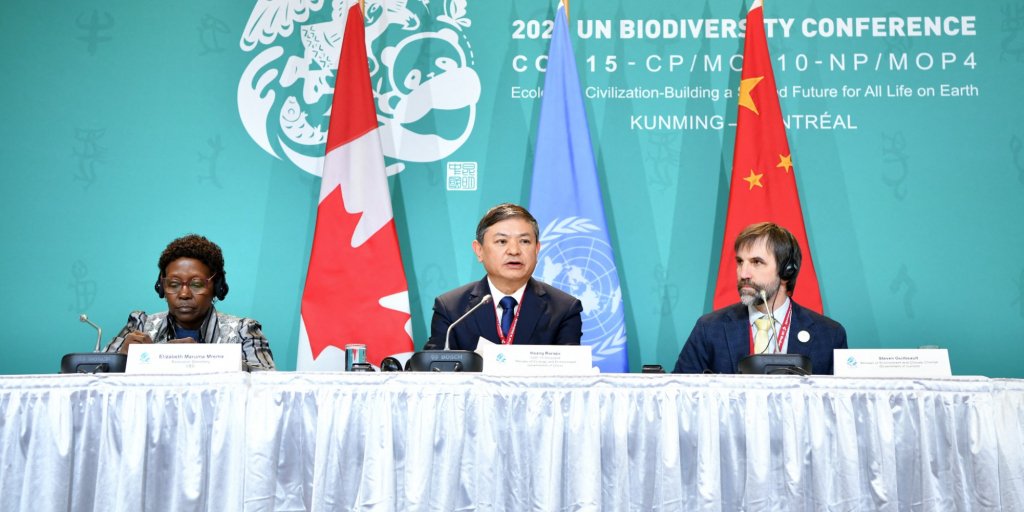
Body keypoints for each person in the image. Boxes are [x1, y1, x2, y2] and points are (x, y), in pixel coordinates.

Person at [674, 222, 846, 374]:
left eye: (756, 262)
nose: (743, 274)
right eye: (740, 262)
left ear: (786, 271)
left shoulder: (830, 334)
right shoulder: (709, 328)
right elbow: (680, 393)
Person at [104, 234, 276, 371]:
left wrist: (201, 360)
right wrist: (120, 361)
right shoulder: (140, 325)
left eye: (196, 284)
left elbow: (269, 383)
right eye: (174, 284)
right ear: (162, 287)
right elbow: (90, 375)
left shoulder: (243, 331)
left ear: (216, 286)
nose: (184, 294)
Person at [427, 203, 583, 350]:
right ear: (479, 250)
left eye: (524, 241)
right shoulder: (451, 308)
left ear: (536, 249)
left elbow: (570, 369)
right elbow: (435, 365)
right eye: (502, 241)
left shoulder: (564, 309)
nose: (514, 251)